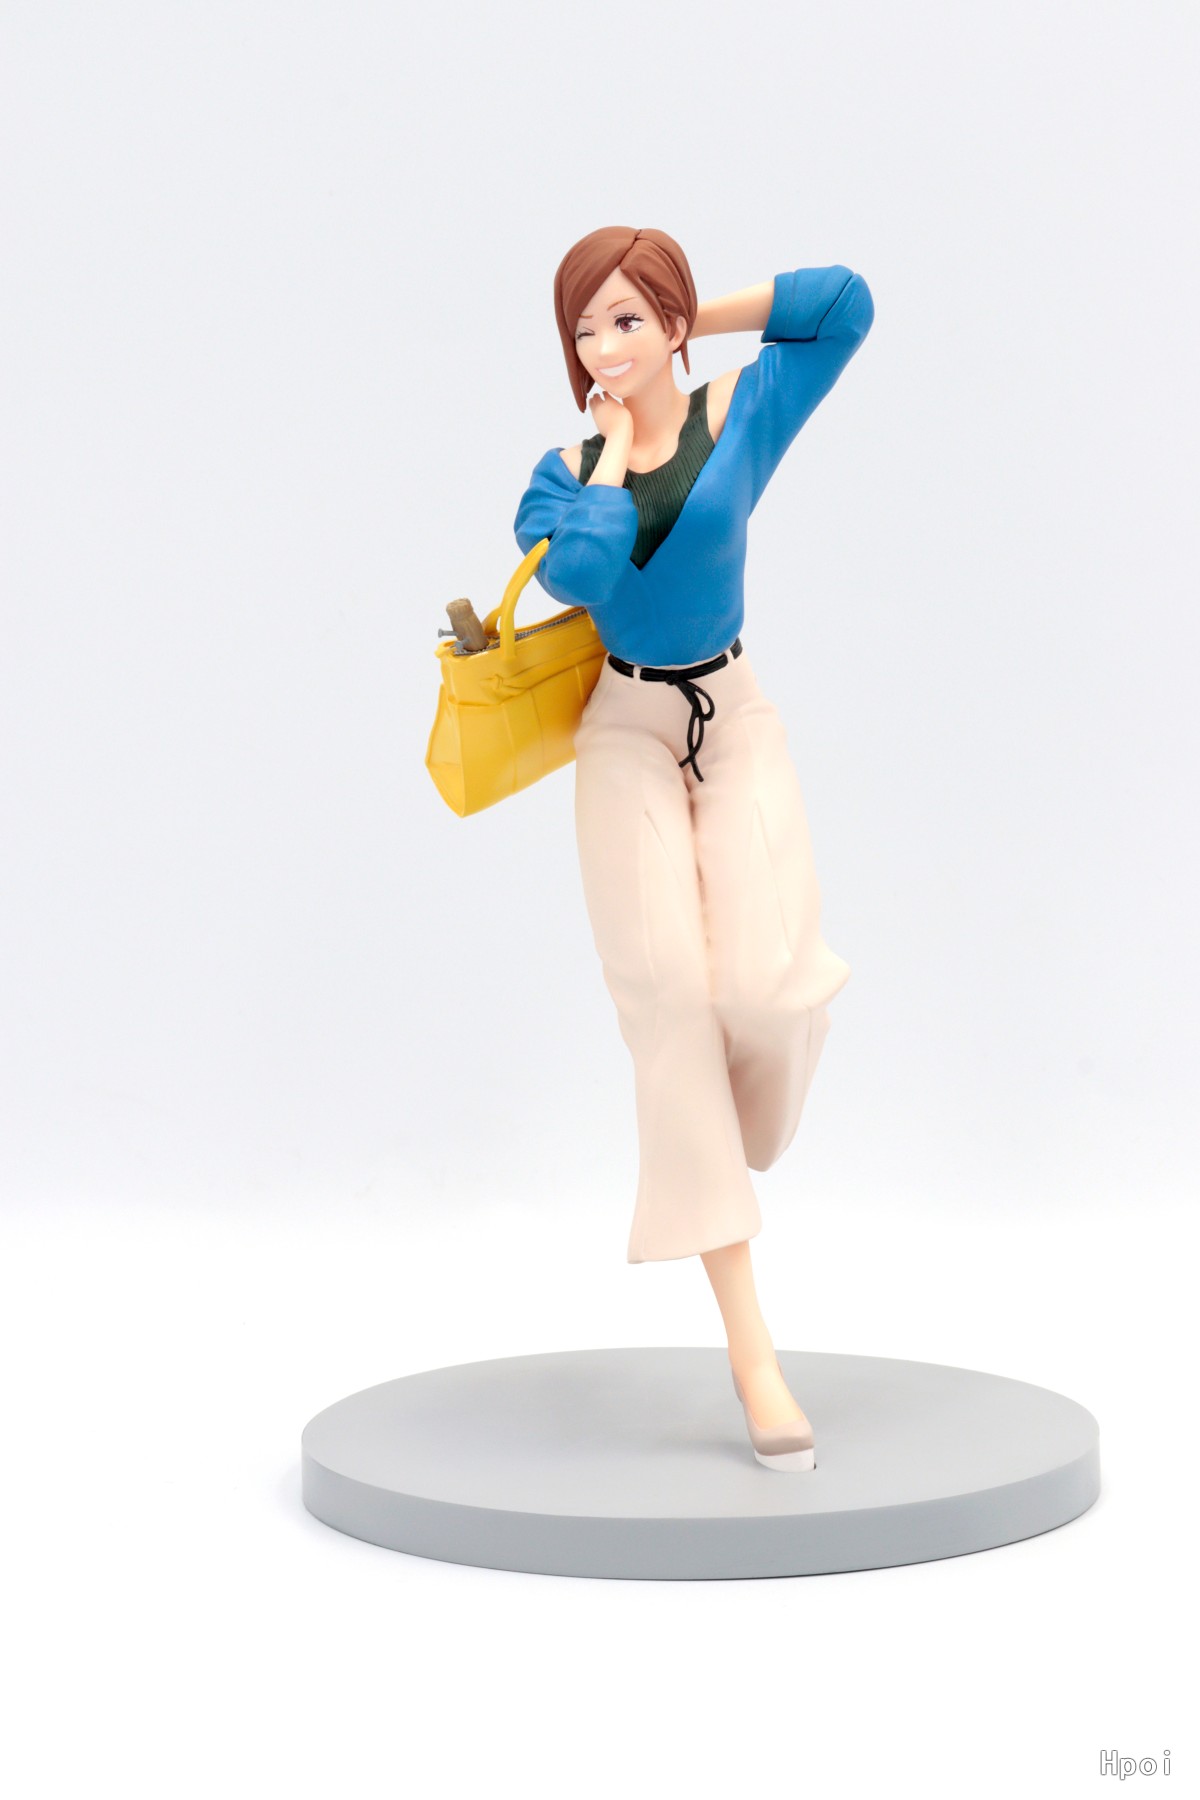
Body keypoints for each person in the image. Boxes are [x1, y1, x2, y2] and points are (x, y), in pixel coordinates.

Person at [512, 226, 874, 1467]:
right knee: (668, 1005)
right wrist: (614, 450)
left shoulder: (742, 409)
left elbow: (842, 302)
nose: (600, 346)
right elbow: (583, 571)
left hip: (733, 713)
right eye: (583, 328)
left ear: (666, 324)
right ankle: (751, 1350)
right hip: (623, 729)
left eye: (623, 319)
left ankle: (729, 1126)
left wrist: (685, 319)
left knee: (766, 992)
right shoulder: (561, 477)